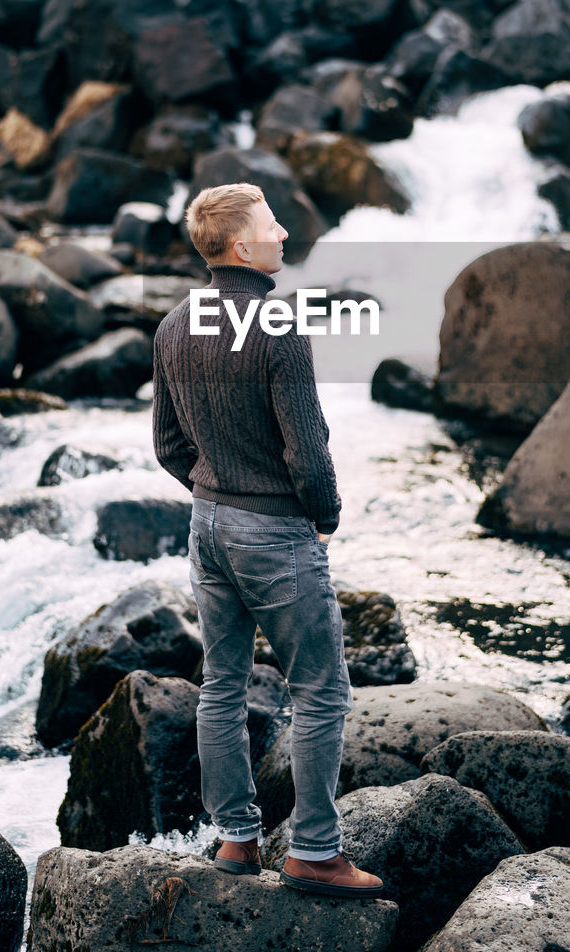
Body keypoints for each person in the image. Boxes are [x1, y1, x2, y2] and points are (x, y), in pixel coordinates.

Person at [152, 181, 383, 898]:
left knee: (220, 685)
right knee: (318, 691)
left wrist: (215, 486)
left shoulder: (172, 324)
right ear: (242, 246)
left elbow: (166, 445)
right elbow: (307, 451)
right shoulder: (278, 325)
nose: (284, 232)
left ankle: (235, 839)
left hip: (208, 522)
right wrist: (325, 513)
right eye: (272, 224)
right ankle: (314, 851)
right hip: (274, 530)